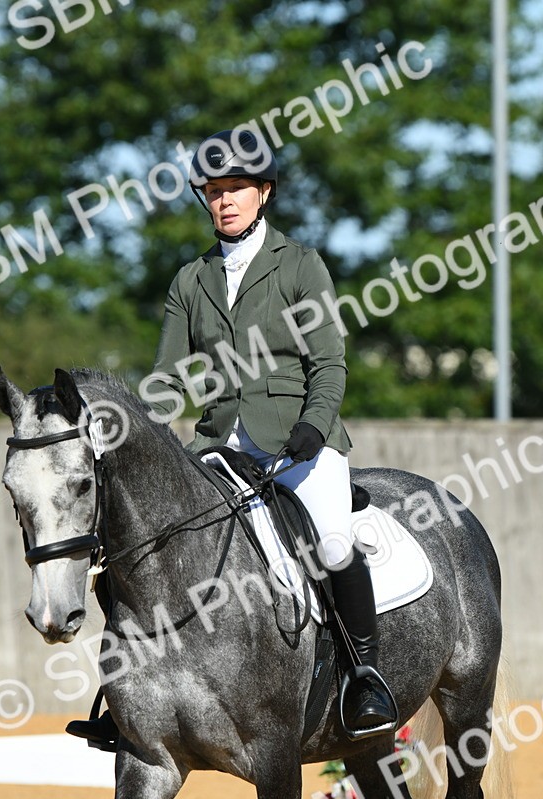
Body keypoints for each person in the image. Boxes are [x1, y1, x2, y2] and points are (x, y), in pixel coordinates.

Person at [67, 129, 397, 748]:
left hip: (300, 446)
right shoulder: (189, 281)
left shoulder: (299, 265)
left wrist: (312, 428)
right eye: (213, 192)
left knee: (330, 543)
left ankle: (363, 676)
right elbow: (165, 381)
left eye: (236, 189)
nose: (224, 201)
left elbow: (328, 364)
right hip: (221, 446)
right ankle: (127, 698)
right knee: (141, 547)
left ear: (263, 193)